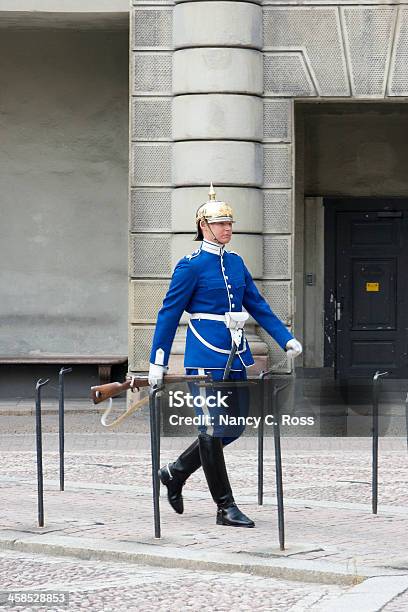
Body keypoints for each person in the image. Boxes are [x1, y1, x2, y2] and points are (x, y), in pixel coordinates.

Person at [148, 184, 302, 527]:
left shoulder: (235, 262)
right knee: (211, 428)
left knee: (232, 427)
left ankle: (175, 472)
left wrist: (286, 338)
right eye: (220, 224)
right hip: (205, 354)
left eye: (230, 223)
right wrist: (157, 361)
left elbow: (257, 305)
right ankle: (225, 507)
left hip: (235, 353)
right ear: (204, 226)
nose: (227, 229)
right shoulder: (190, 266)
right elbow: (169, 314)